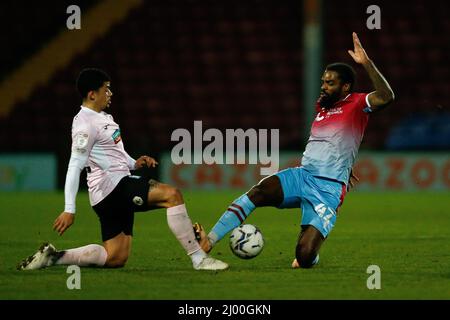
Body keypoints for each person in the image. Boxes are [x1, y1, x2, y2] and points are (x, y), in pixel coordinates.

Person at [194, 32, 395, 268]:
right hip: (302, 176)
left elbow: (387, 96)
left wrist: (366, 63)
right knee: (258, 192)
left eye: (330, 83)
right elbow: (333, 142)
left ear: (345, 86)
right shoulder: (322, 106)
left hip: (328, 189)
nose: (323, 86)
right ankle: (209, 241)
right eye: (323, 81)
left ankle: (309, 249)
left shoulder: (358, 103)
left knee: (304, 256)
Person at [17, 68, 228, 271]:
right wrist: (69, 208)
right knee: (172, 195)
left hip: (111, 188)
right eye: (106, 89)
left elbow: (112, 155)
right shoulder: (85, 124)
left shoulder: (104, 118)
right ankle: (199, 259)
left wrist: (134, 163)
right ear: (92, 94)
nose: (110, 93)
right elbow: (75, 164)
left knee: (115, 257)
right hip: (112, 187)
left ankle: (54, 257)